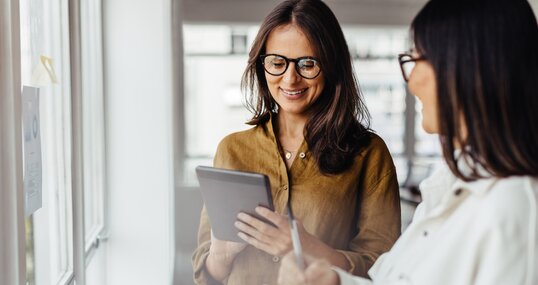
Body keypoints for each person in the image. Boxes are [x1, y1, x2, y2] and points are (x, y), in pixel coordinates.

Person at [277, 0, 538, 284]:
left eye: (418, 59)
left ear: (468, 68)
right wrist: (333, 281)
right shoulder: (449, 186)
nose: (411, 81)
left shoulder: (514, 209)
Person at [191, 0, 402, 284]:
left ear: (331, 66)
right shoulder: (231, 149)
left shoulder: (368, 154)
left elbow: (386, 268)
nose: (290, 79)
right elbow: (205, 276)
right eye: (277, 63)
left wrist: (307, 249)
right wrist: (221, 257)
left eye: (308, 64)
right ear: (261, 65)